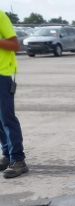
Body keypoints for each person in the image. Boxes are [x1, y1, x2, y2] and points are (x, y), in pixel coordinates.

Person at [0, 11, 27, 178]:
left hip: (2, 74)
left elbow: (15, 45)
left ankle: (18, 160)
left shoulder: (0, 16)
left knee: (7, 118)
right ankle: (7, 155)